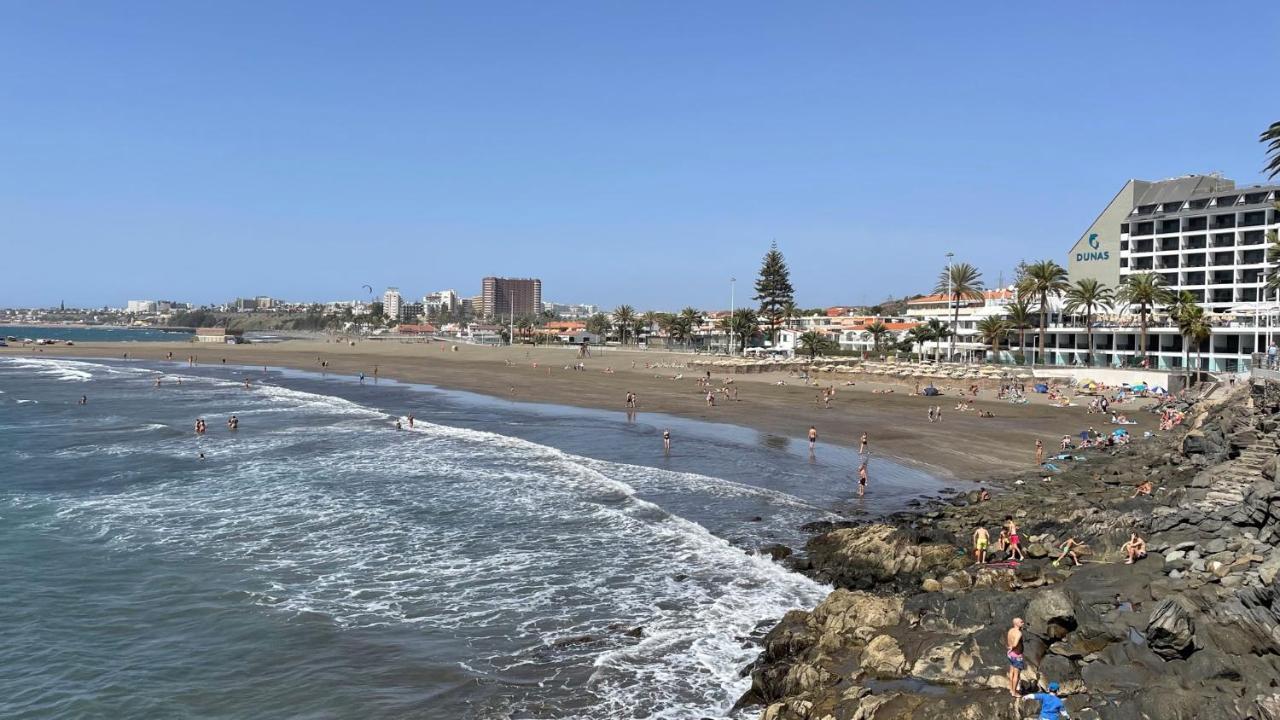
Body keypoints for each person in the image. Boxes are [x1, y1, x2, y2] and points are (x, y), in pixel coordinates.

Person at [1006, 618, 1025, 697]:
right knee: (1016, 675)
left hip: (1010, 655)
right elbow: (1015, 644)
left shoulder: (1010, 630)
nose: (1023, 623)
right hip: (1017, 655)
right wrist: (1012, 647)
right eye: (1021, 622)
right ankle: (1014, 692)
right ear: (1016, 623)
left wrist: (1010, 648)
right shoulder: (1019, 633)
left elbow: (1009, 640)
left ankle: (1011, 689)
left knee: (1011, 672)